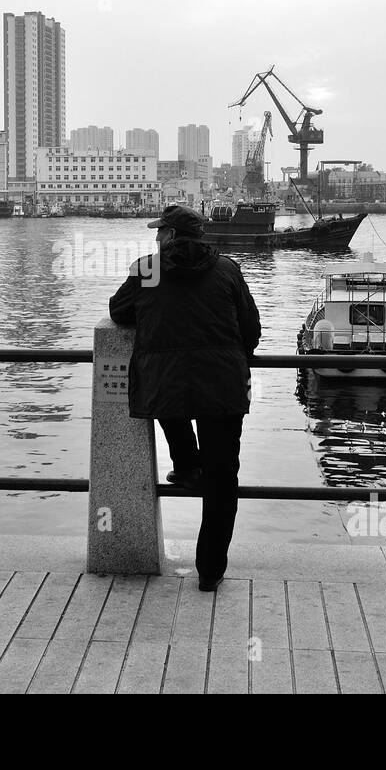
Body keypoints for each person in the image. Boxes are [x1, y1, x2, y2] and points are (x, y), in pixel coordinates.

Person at [109, 204, 261, 592]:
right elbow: (251, 329)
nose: (156, 238)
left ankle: (187, 464)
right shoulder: (227, 269)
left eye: (160, 232)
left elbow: (118, 311)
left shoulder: (149, 269)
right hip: (224, 385)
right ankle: (210, 570)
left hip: (167, 385)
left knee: (167, 402)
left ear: (173, 236)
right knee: (224, 477)